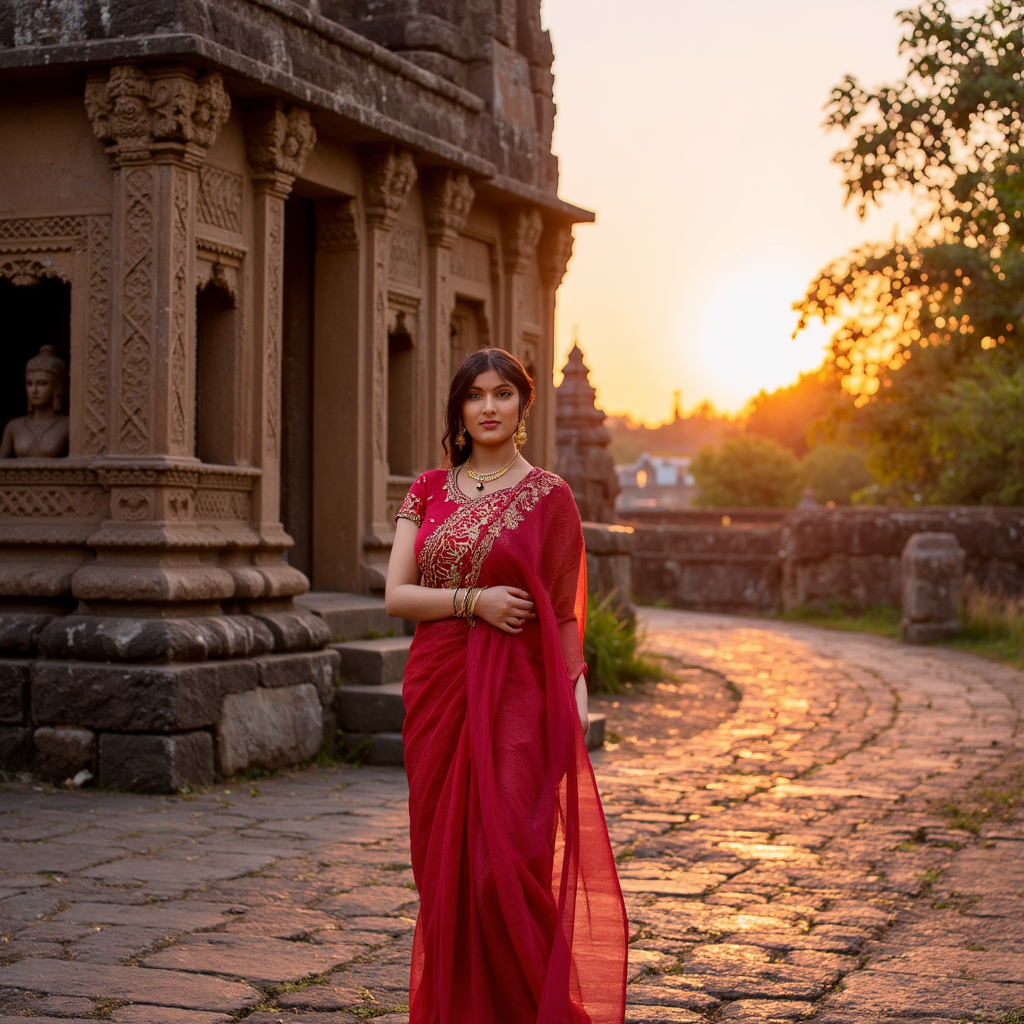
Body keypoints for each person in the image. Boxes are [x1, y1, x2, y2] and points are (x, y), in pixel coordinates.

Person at [385, 349, 628, 1024]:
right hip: (437, 690)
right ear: (459, 409)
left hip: (518, 696)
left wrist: (574, 703)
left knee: (505, 868)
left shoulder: (550, 497)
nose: (488, 407)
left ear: (524, 406)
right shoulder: (427, 489)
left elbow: (562, 611)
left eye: (502, 395)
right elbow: (397, 595)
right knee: (445, 872)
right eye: (475, 396)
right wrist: (475, 601)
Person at [0, 345, 70, 458]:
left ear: (58, 387)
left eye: (42, 383)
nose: (34, 390)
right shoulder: (14, 426)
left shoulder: (68, 425)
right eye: (29, 384)